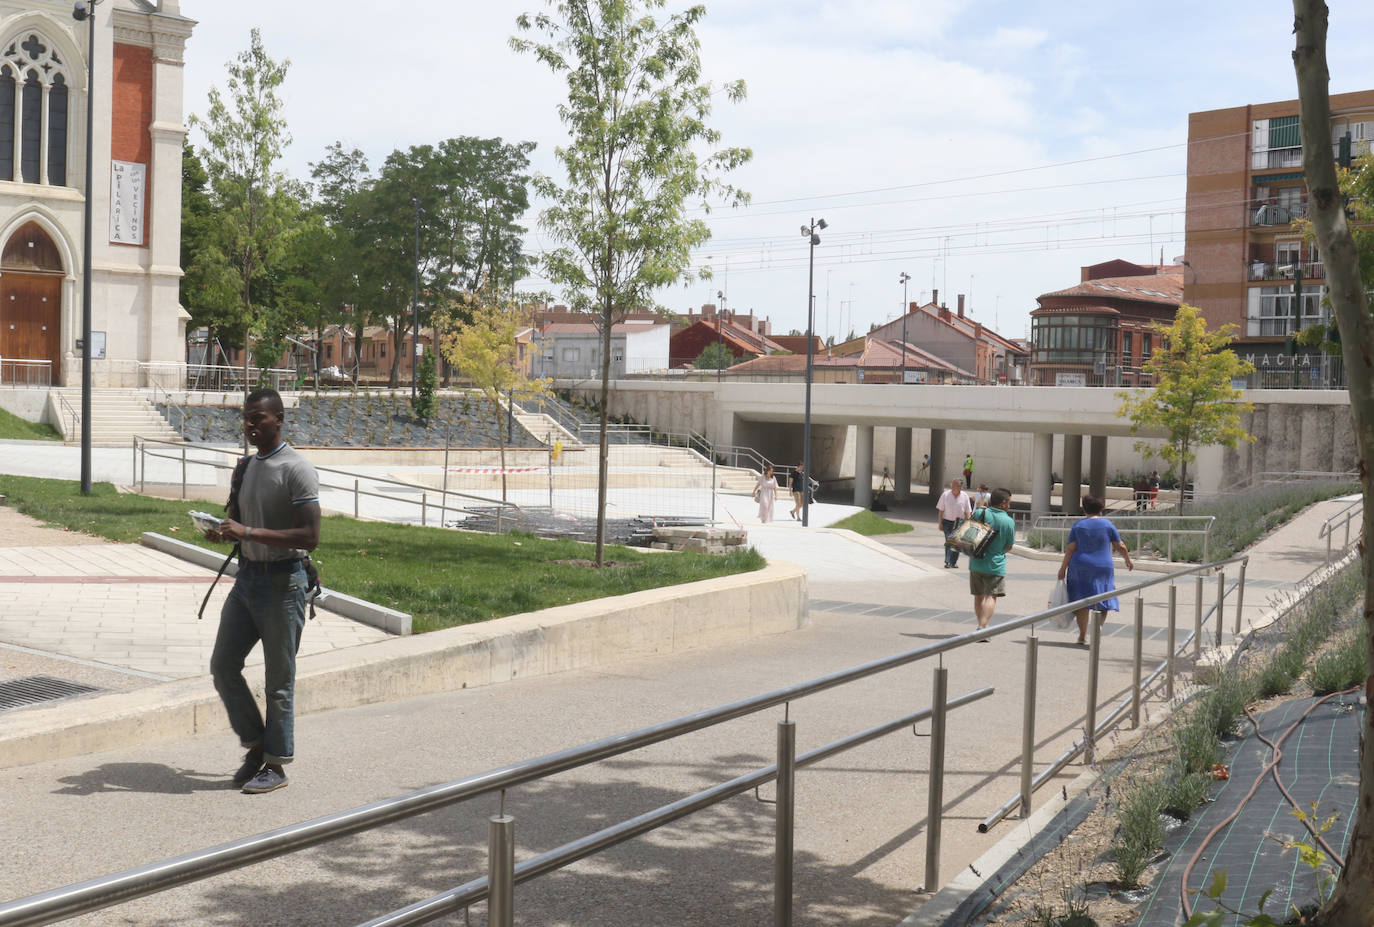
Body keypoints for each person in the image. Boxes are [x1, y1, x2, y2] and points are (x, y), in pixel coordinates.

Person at [206, 388, 321, 794]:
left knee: (279, 681)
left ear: (279, 419)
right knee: (223, 665)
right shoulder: (246, 466)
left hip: (284, 582)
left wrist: (250, 532)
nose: (251, 425)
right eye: (247, 418)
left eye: (259, 418)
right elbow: (239, 522)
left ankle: (277, 763)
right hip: (248, 579)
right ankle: (256, 743)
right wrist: (224, 534)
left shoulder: (297, 468)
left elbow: (310, 536)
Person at [1057, 494, 1134, 646]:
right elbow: (1121, 546)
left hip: (1080, 566)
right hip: (1103, 566)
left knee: (1082, 600)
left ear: (1084, 508)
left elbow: (1071, 548)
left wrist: (1063, 568)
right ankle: (1098, 626)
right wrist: (1127, 560)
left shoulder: (1078, 526)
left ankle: (1082, 635)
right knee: (1103, 597)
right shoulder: (1108, 525)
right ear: (1102, 508)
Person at [968, 488, 1016, 638]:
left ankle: (981, 625)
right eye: (1009, 502)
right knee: (991, 596)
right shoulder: (1008, 521)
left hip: (976, 562)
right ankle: (982, 627)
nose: (1009, 505)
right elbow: (1009, 546)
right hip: (995, 565)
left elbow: (969, 534)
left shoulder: (979, 513)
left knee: (978, 596)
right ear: (1003, 503)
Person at [935, 478, 973, 569]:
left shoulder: (965, 496)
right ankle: (947, 562)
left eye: (955, 485)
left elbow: (968, 512)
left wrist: (968, 524)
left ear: (960, 487)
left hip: (959, 523)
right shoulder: (945, 495)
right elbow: (941, 511)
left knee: (956, 543)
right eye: (952, 485)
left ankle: (953, 562)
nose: (953, 487)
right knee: (949, 540)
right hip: (947, 522)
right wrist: (940, 523)